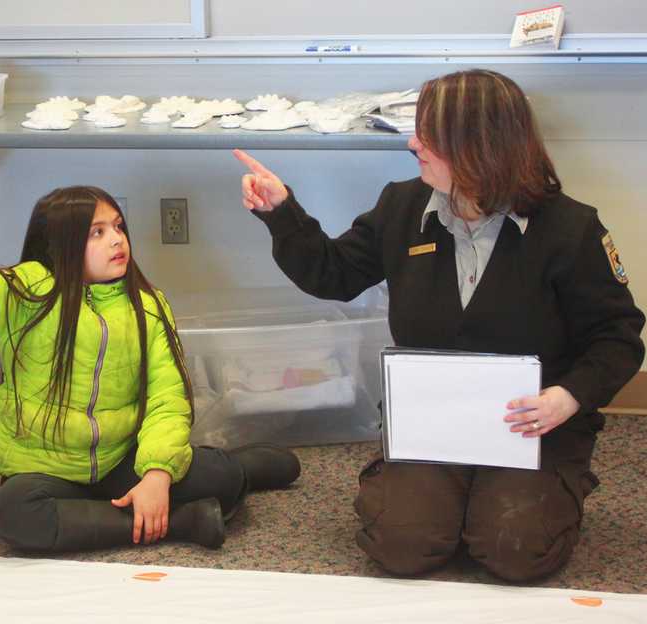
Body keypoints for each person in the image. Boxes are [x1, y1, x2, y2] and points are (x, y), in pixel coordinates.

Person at [234, 69, 644, 582]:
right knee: (404, 546)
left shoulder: (570, 228)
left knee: (513, 549)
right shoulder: (401, 207)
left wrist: (567, 398)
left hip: (533, 425)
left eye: (429, 134)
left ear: (480, 146)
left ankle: (545, 487)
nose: (412, 143)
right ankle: (444, 490)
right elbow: (333, 274)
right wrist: (282, 213)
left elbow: (618, 336)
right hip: (433, 419)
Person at [0, 148, 300, 551]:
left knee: (219, 478)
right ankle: (181, 522)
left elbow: (168, 398)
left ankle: (234, 468)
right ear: (60, 246)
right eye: (97, 232)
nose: (117, 240)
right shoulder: (24, 292)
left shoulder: (148, 305)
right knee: (14, 512)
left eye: (118, 227)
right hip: (43, 468)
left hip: (123, 459)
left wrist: (156, 474)